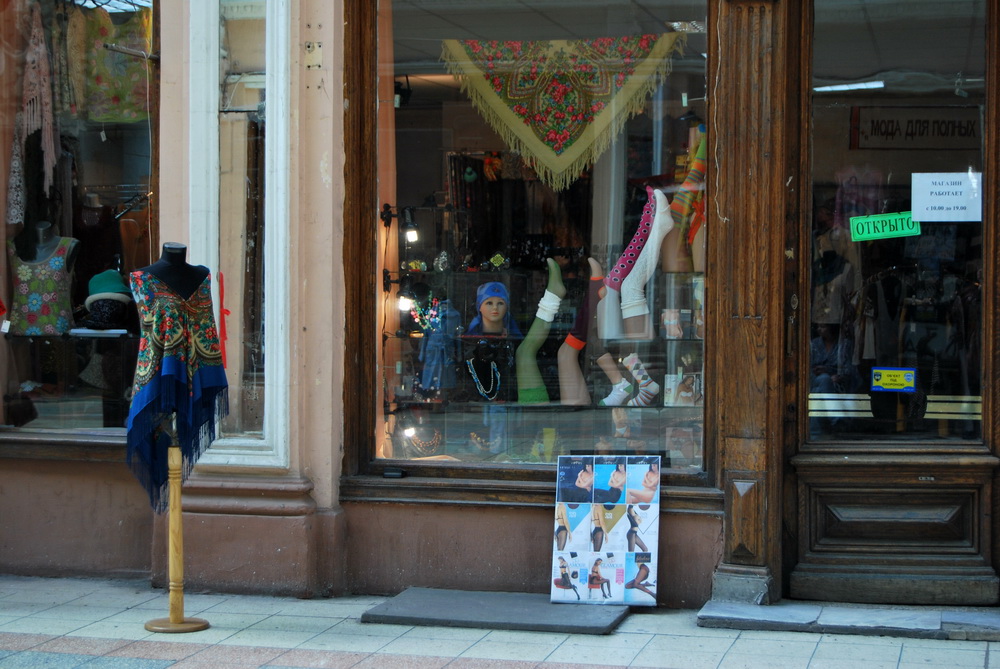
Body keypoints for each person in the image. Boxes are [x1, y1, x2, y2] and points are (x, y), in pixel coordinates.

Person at [125, 242, 229, 512]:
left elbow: (207, 330)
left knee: (180, 445)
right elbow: (151, 337)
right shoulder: (142, 279)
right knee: (163, 445)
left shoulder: (202, 278)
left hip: (196, 375)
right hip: (158, 378)